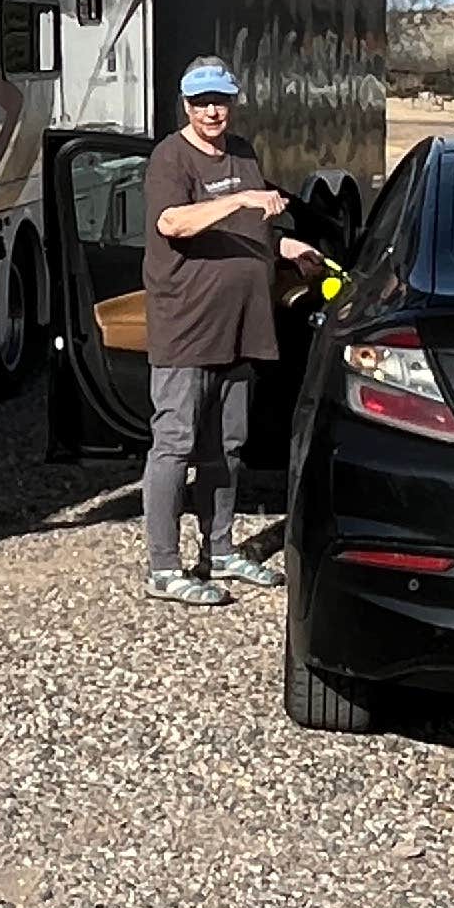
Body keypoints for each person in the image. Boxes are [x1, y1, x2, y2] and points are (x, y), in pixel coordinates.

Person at [141, 57, 320, 607]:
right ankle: (163, 567)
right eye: (201, 102)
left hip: (241, 325)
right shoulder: (171, 158)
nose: (211, 111)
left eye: (219, 100)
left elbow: (249, 229)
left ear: (232, 102)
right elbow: (172, 222)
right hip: (186, 326)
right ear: (185, 105)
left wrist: (287, 247)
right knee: (175, 445)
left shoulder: (242, 152)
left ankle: (218, 549)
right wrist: (241, 198)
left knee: (227, 445)